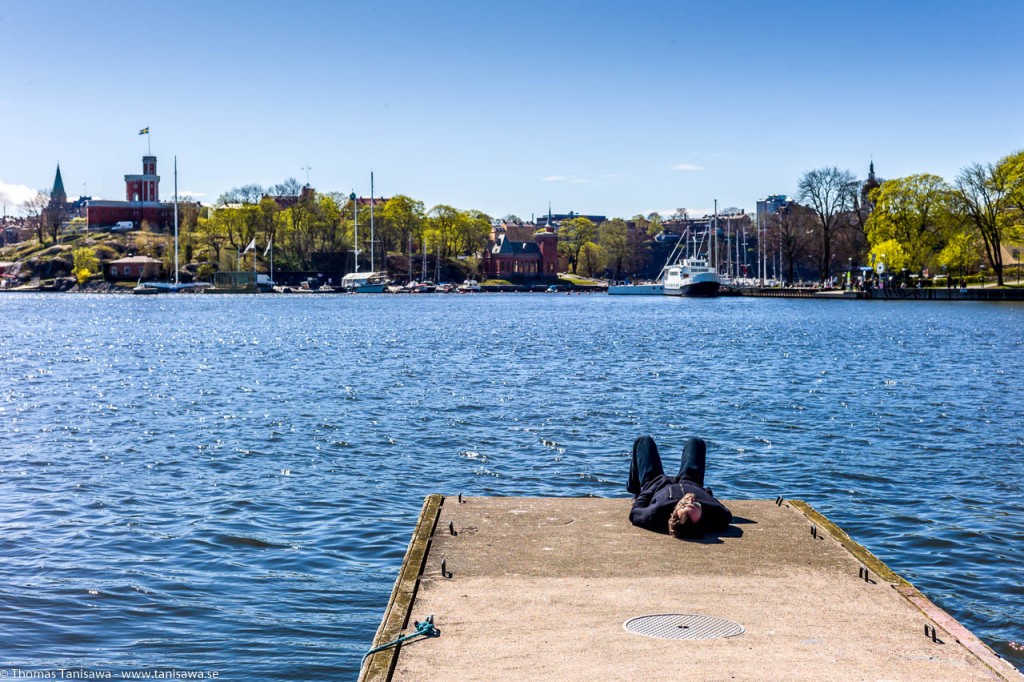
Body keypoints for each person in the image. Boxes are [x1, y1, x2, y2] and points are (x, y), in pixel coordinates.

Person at [627, 435, 732, 539]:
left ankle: (633, 488)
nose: (690, 499)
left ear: (674, 514)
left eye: (684, 505)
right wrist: (705, 492)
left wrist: (647, 491)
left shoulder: (655, 514)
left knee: (643, 440)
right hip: (691, 481)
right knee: (696, 442)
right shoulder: (718, 516)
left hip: (657, 483)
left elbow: (635, 512)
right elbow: (724, 511)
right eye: (696, 504)